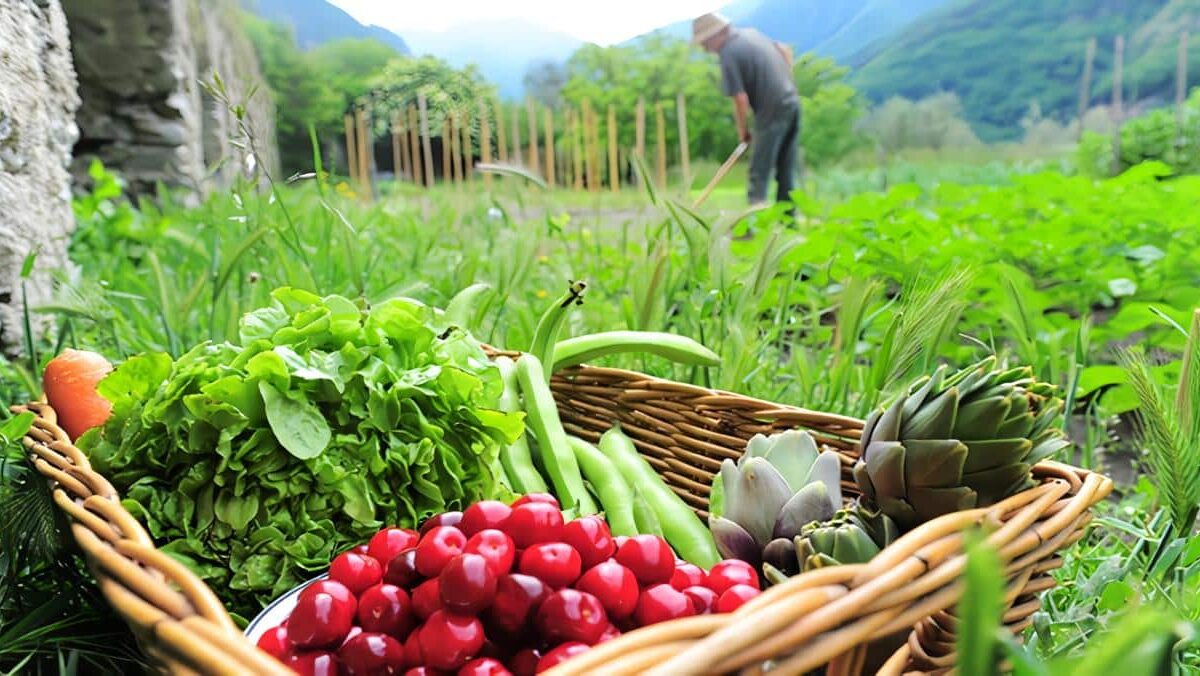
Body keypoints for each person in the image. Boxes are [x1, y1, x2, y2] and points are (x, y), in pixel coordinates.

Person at [693, 12, 800, 211]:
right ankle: (789, 222)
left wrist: (743, 130)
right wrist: (788, 83)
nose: (706, 49)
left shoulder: (729, 52)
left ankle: (753, 222)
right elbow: (783, 50)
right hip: (791, 101)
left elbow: (740, 98)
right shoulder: (752, 35)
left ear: (715, 35)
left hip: (771, 107)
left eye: (705, 43)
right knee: (785, 168)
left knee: (759, 170)